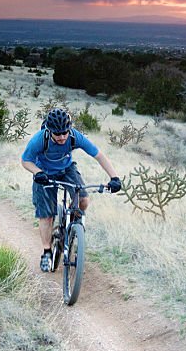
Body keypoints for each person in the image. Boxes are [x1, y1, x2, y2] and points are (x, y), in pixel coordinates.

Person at [21, 108, 120, 272]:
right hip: (44, 173)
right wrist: (37, 172)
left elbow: (99, 155)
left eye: (64, 133)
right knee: (46, 215)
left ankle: (72, 225)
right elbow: (26, 161)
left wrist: (114, 177)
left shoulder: (75, 136)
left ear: (69, 129)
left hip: (67, 169)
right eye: (57, 134)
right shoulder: (39, 139)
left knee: (83, 200)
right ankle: (46, 252)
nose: (61, 137)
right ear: (49, 130)